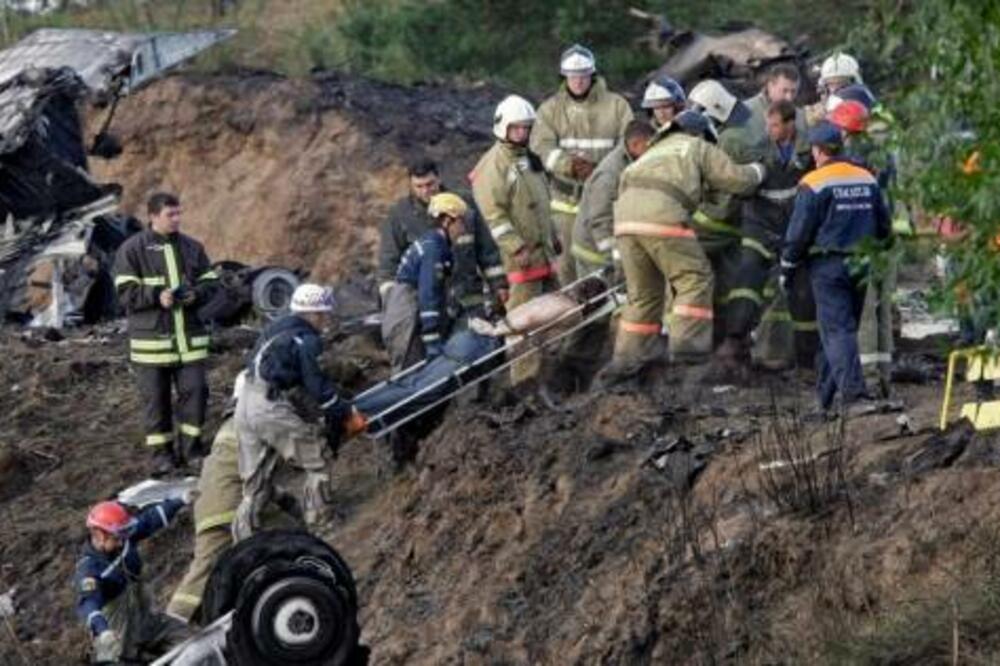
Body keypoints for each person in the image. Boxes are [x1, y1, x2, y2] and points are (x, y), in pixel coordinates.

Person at [596, 117, 766, 385]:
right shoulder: (696, 145)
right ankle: (688, 357)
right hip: (662, 214)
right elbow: (735, 179)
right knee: (694, 278)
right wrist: (759, 171)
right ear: (701, 133)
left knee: (643, 296)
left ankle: (626, 362)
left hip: (625, 221)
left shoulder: (652, 151)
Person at [781, 121, 890, 412]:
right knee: (843, 330)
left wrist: (787, 267)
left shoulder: (814, 182)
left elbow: (799, 232)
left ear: (817, 151)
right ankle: (825, 400)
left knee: (837, 330)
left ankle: (853, 397)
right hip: (863, 263)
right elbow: (884, 226)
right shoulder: (866, 178)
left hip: (829, 265)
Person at [232, 283, 353, 541]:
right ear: (313, 313)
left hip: (244, 401)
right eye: (323, 314)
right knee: (317, 456)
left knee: (255, 481)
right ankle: (322, 522)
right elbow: (316, 386)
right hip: (268, 405)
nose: (326, 319)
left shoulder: (276, 328)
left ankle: (245, 539)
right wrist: (342, 409)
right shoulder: (307, 339)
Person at [113, 192, 218, 472]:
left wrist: (196, 294)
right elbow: (124, 294)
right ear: (153, 216)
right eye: (170, 214)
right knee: (155, 402)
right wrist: (156, 296)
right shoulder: (132, 249)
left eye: (178, 213)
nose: (177, 219)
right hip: (151, 346)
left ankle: (193, 450)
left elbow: (212, 283)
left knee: (196, 393)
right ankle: (162, 457)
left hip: (190, 343)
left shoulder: (193, 247)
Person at [377, 159, 507, 371]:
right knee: (424, 365)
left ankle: (476, 400)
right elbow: (388, 265)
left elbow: (487, 249)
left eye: (430, 184)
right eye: (419, 186)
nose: (426, 191)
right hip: (425, 304)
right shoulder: (401, 216)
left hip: (467, 296)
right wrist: (396, 308)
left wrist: (499, 284)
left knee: (473, 352)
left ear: (439, 178)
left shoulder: (463, 205)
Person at [717, 99, 816, 375]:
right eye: (767, 124)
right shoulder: (756, 151)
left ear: (789, 124)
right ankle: (734, 341)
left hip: (792, 230)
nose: (769, 130)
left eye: (774, 125)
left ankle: (805, 355)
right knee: (747, 277)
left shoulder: (808, 153)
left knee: (799, 287)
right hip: (758, 226)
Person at [558, 120, 655, 389]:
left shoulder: (632, 164)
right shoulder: (610, 174)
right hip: (594, 252)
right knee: (593, 314)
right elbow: (599, 219)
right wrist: (616, 257)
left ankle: (585, 369)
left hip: (610, 247)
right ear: (635, 144)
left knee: (602, 314)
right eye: (649, 146)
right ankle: (567, 372)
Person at [472, 94, 560, 387]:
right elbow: (493, 215)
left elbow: (543, 203)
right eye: (516, 128)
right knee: (521, 321)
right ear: (503, 128)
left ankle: (548, 373)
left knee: (552, 314)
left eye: (526, 127)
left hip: (543, 254)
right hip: (520, 260)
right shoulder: (493, 166)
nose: (522, 133)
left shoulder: (527, 158)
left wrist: (554, 238)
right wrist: (516, 247)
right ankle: (524, 382)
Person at [530, 44, 634, 285]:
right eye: (572, 76)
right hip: (565, 205)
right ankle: (575, 317)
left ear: (592, 75)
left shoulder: (617, 106)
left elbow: (629, 144)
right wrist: (569, 165)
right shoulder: (550, 110)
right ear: (564, 77)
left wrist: (602, 172)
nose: (578, 81)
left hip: (606, 201)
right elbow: (540, 147)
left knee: (606, 261)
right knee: (567, 269)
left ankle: (607, 315)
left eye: (583, 75)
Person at [75, 498, 191, 663]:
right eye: (116, 538)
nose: (122, 541)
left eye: (123, 535)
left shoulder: (123, 537)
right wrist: (103, 631)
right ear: (100, 535)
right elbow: (88, 604)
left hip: (147, 621)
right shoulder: (89, 569)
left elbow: (149, 520)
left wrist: (180, 500)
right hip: (119, 639)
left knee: (194, 641)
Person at [686, 80, 756, 347]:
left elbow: (723, 201)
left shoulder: (727, 142)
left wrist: (691, 220)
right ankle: (725, 342)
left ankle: (703, 343)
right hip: (734, 230)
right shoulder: (735, 133)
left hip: (715, 227)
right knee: (724, 288)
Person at [391, 192, 473, 363]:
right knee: (411, 373)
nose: (464, 229)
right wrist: (431, 337)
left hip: (410, 312)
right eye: (461, 222)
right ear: (447, 221)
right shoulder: (433, 249)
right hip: (406, 317)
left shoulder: (438, 245)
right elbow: (429, 294)